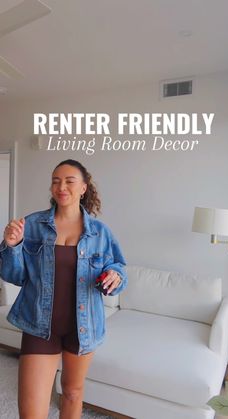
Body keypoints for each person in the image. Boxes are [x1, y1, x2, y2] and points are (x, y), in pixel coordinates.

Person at [0, 159, 128, 419]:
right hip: (39, 325)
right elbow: (14, 275)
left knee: (71, 393)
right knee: (31, 412)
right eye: (56, 181)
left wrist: (116, 275)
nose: (61, 186)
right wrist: (11, 245)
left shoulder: (100, 233)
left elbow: (118, 269)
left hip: (84, 327)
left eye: (70, 181)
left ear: (83, 187)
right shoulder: (32, 225)